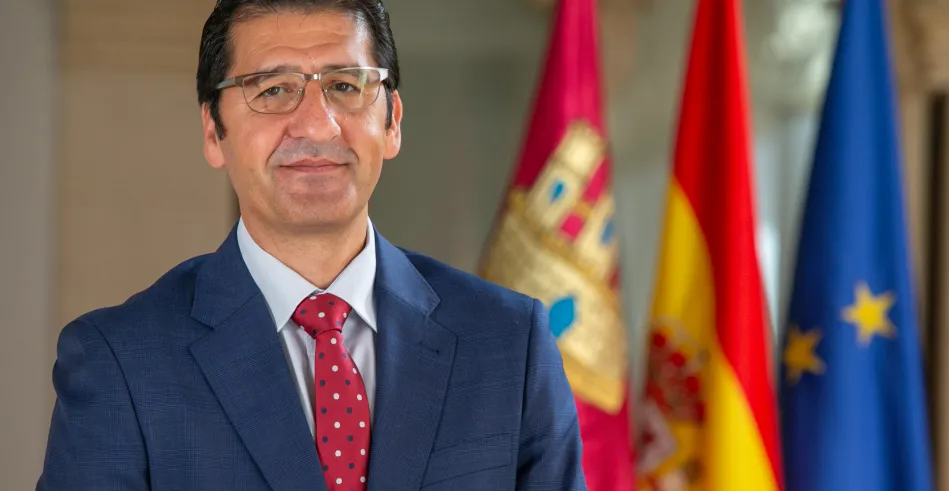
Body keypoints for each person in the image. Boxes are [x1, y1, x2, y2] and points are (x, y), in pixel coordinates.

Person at [37, 1, 586, 489]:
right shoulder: (122, 363)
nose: (318, 127)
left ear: (392, 121)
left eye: (345, 86)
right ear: (212, 131)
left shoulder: (509, 343)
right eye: (273, 90)